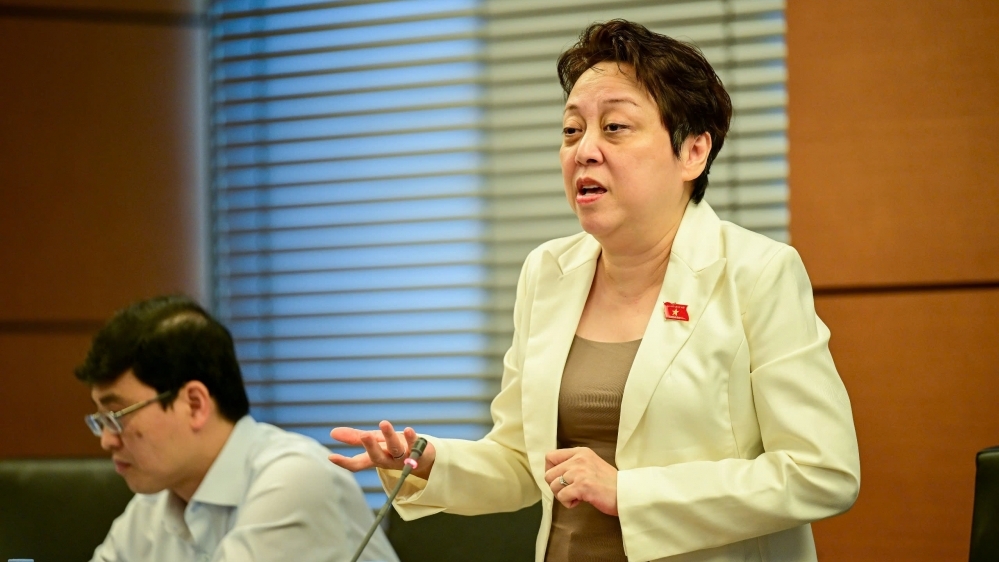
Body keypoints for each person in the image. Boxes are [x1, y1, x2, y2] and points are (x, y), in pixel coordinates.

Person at [329, 19, 860, 562]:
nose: (584, 150)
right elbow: (523, 462)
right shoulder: (547, 272)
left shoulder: (757, 272)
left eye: (615, 127)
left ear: (693, 152)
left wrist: (628, 493)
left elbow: (822, 472)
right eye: (571, 130)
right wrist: (425, 460)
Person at [76, 295, 399, 562]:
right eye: (100, 421)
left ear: (194, 404)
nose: (107, 440)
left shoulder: (294, 478)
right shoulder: (154, 503)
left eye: (117, 416)